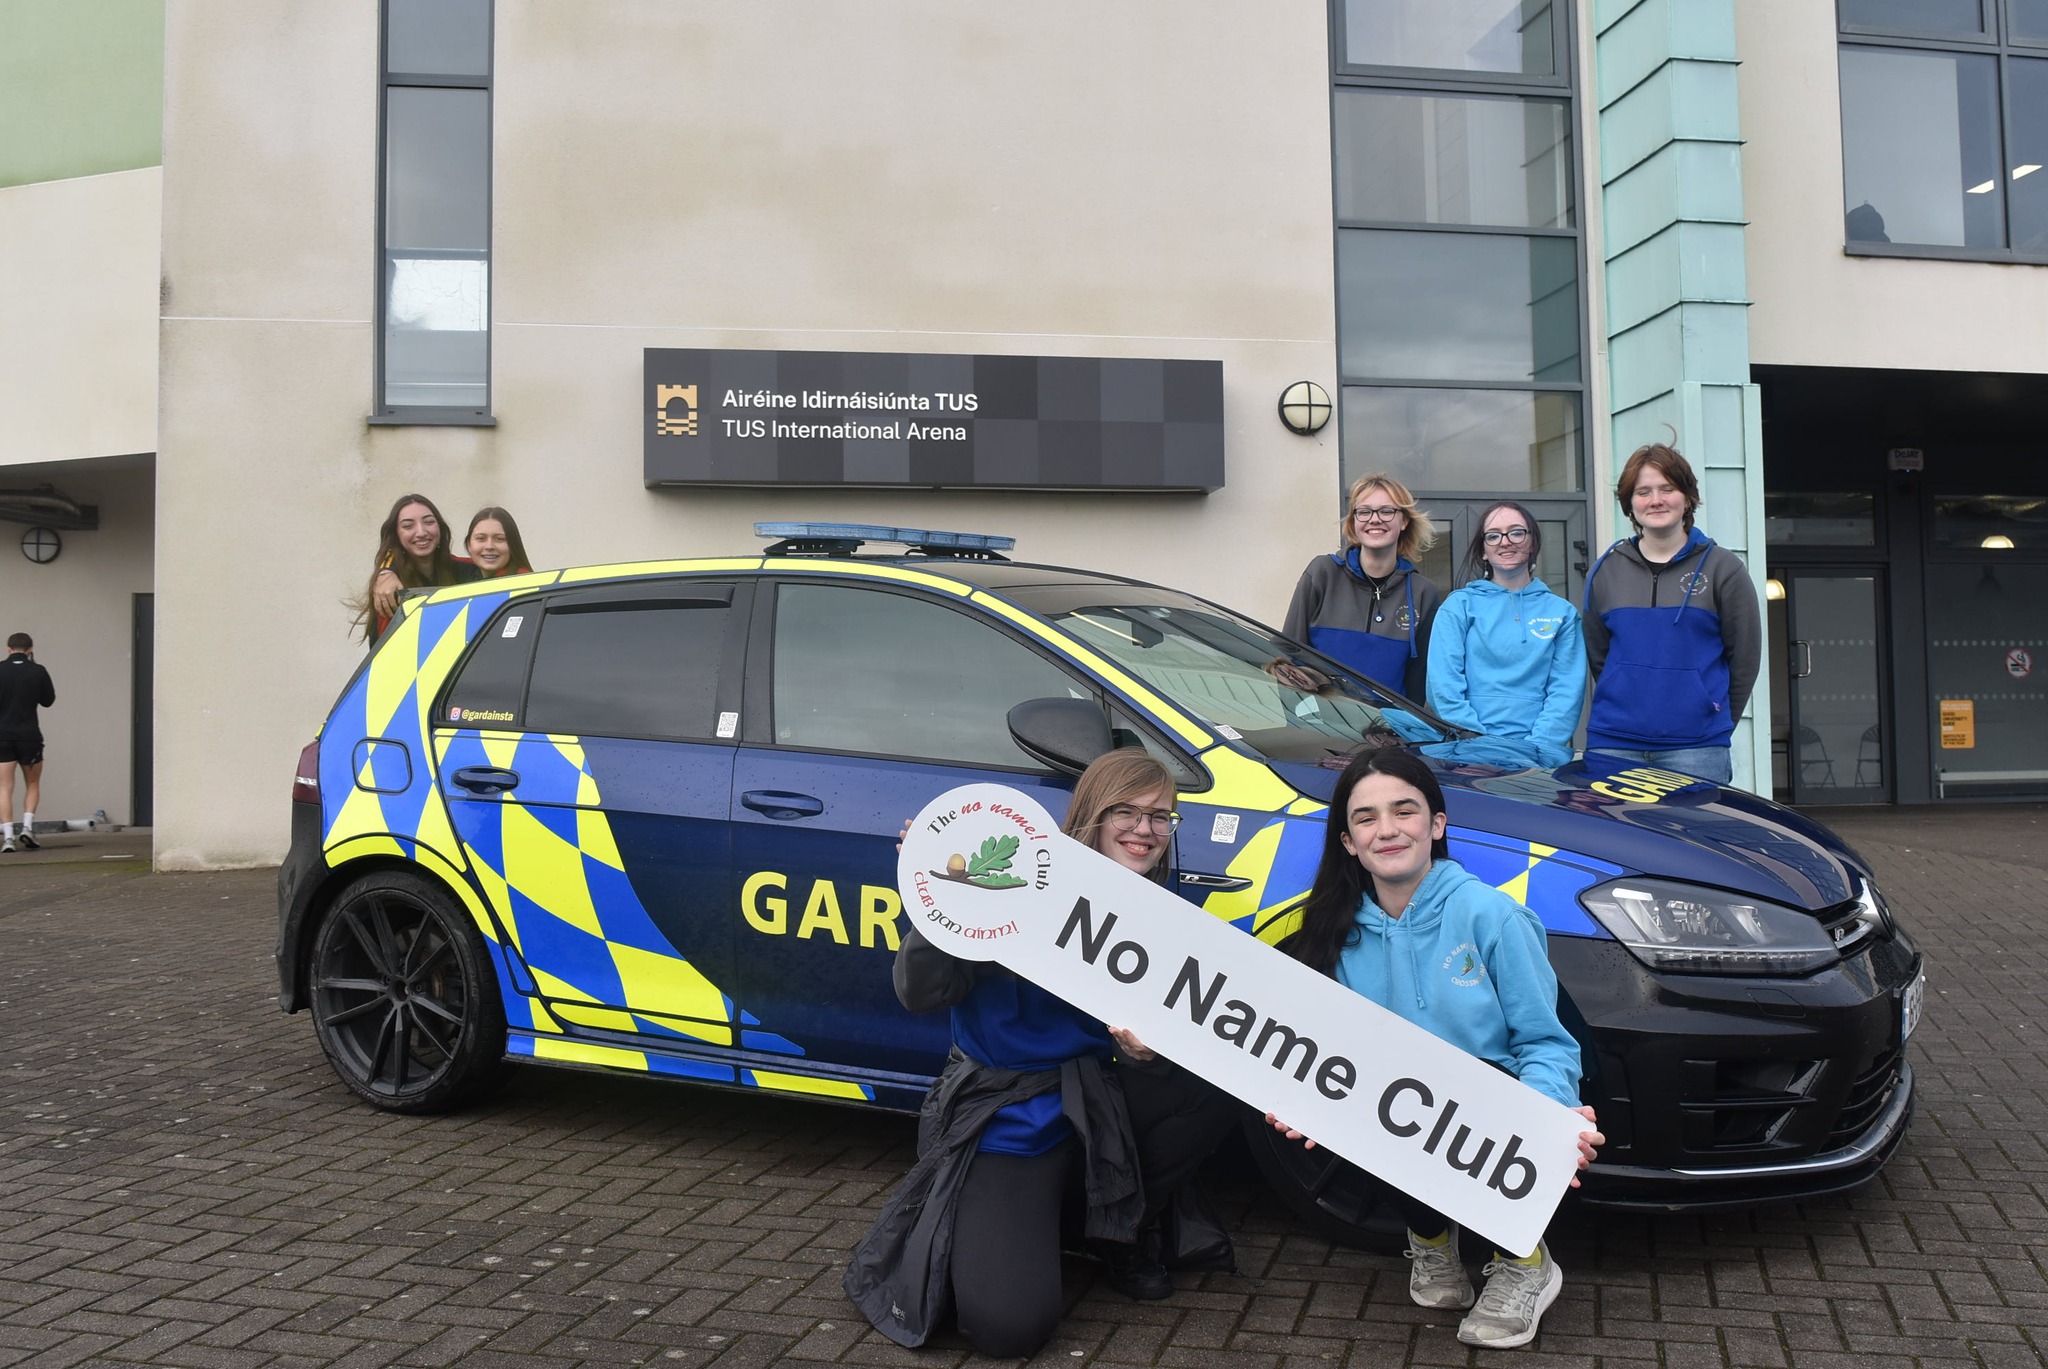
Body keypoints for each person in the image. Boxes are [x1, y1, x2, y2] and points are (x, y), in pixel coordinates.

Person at [846, 751, 1231, 1357]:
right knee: (1009, 1328)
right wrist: (935, 898)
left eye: (1161, 816)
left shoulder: (1160, 910)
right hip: (1011, 1111)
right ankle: (1036, 1222)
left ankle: (1118, 1230)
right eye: (1125, 812)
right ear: (1091, 814)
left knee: (1215, 1084)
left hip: (1096, 1099)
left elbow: (1171, 1029)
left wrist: (1145, 1054)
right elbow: (921, 994)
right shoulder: (1013, 882)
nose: (1145, 829)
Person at [1265, 747, 1602, 1350]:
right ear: (1348, 842)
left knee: (1476, 1093)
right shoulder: (1330, 930)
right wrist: (1301, 1097)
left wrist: (1550, 1118)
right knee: (1369, 1098)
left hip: (1491, 1102)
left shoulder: (1492, 917)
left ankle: (1525, 1262)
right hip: (1401, 1106)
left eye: (1405, 811)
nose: (1387, 829)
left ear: (1437, 824)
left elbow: (1545, 1042)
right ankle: (1430, 1242)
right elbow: (1323, 1047)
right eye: (1366, 818)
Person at [1582, 444, 1762, 785]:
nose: (1656, 500)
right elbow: (1600, 657)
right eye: (1643, 492)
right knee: (1613, 825)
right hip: (1614, 744)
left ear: (1688, 498)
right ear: (1630, 504)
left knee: (1694, 825)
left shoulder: (1723, 569)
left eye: (1667, 489)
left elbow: (1744, 658)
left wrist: (1712, 717)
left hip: (1696, 748)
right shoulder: (1604, 572)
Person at [1426, 501, 1586, 769]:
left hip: (1539, 761)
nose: (1505, 541)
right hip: (1467, 755)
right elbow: (1444, 688)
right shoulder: (1458, 606)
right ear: (1483, 551)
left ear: (1532, 542)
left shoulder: (1563, 613)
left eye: (1516, 532)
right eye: (1493, 535)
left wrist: (1537, 751)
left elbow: (1566, 694)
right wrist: (1478, 746)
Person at [1284, 473, 1442, 700]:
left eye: (1386, 511)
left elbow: (1418, 680)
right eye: (1364, 511)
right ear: (1353, 521)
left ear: (1404, 521)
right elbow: (1288, 649)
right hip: (1320, 718)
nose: (1374, 519)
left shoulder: (1423, 593)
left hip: (1386, 722)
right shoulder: (1322, 572)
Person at [360, 493, 475, 639]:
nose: (421, 532)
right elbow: (383, 648)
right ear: (397, 535)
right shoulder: (390, 589)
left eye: (429, 522)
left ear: (440, 527)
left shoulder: (468, 570)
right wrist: (385, 571)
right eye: (408, 526)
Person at [0, 632, 55, 854]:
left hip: (2, 736)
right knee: (32, 783)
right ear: (30, 649)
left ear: (8, 648)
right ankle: (27, 827)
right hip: (29, 736)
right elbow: (48, 701)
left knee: (4, 787)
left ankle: (8, 837)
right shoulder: (38, 671)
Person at [463, 506, 533, 578]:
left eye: (499, 539)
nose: (489, 546)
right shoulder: (464, 571)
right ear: (468, 544)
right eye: (481, 538)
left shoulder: (524, 580)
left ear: (512, 544)